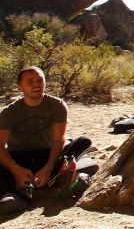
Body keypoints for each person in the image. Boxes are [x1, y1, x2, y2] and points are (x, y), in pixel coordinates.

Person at [0, 67, 92, 213]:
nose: (36, 84)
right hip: (19, 158)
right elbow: (0, 146)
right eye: (30, 81)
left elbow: (58, 140)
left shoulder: (57, 105)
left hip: (47, 155)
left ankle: (55, 178)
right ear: (20, 87)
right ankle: (15, 196)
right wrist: (16, 170)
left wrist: (47, 169)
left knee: (83, 142)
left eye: (39, 80)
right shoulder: (9, 112)